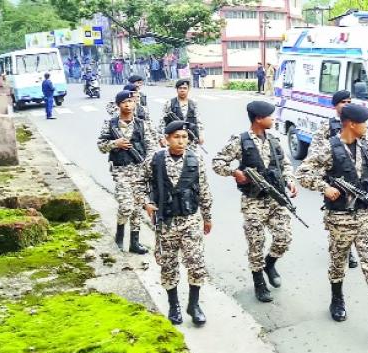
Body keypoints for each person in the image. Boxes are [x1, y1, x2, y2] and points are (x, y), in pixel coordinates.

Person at [296, 103, 368, 334]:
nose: (367, 126)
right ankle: (337, 299)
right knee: (338, 262)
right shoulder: (328, 149)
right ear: (352, 124)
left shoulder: (366, 147)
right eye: (364, 122)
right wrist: (324, 187)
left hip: (365, 216)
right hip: (340, 218)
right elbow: (303, 174)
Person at [212, 101, 298, 303]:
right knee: (256, 244)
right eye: (270, 115)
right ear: (259, 118)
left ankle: (270, 264)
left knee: (284, 238)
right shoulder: (239, 141)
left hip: (276, 199)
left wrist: (290, 180)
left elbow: (285, 164)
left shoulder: (274, 140)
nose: (274, 119)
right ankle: (259, 281)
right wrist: (235, 172)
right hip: (253, 202)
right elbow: (217, 162)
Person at [140, 120, 213, 326]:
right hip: (166, 223)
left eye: (184, 137)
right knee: (168, 266)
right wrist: (145, 202)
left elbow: (204, 190)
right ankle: (174, 305)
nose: (181, 141)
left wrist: (207, 217)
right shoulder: (155, 159)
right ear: (167, 139)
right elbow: (140, 182)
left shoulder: (196, 159)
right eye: (176, 137)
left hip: (190, 220)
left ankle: (194, 304)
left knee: (197, 264)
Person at [97, 90, 159, 254]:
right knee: (126, 206)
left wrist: (148, 162)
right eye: (124, 102)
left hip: (140, 170)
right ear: (118, 105)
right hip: (121, 171)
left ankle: (134, 242)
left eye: (131, 101)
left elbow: (152, 146)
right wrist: (115, 143)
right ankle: (118, 237)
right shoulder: (110, 124)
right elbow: (101, 146)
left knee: (137, 207)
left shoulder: (141, 124)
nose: (128, 104)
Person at [310, 90, 359, 269]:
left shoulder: (356, 123)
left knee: (355, 212)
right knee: (338, 214)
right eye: (343, 102)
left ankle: (349, 249)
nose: (346, 104)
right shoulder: (327, 126)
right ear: (335, 105)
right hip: (334, 179)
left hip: (353, 177)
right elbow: (315, 151)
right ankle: (342, 250)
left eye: (349, 101)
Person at [159, 78, 203, 148]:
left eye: (185, 88)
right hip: (174, 138)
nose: (182, 90)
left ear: (188, 90)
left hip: (190, 138)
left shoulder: (193, 104)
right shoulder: (170, 103)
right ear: (177, 89)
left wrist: (200, 135)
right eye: (180, 88)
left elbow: (198, 120)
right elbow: (162, 122)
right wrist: (162, 137)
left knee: (192, 158)